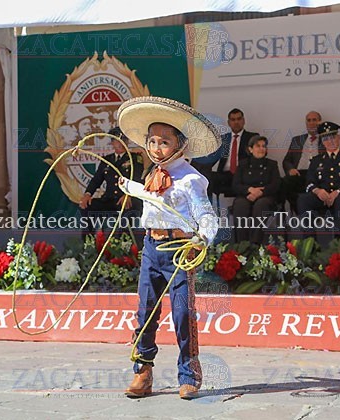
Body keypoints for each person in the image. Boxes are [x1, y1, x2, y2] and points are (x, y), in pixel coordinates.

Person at [115, 96, 220, 400]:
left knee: (182, 313)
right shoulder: (152, 175)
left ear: (180, 145)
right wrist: (130, 187)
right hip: (151, 247)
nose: (157, 147)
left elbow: (206, 216)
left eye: (164, 142)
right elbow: (153, 198)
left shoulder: (191, 179)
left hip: (179, 249)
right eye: (152, 141)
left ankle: (189, 375)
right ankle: (142, 371)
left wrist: (202, 238)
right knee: (145, 311)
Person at [297, 121, 340, 236]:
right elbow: (309, 182)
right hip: (322, 196)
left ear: (339, 138)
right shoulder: (316, 160)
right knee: (303, 199)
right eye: (326, 139)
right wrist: (318, 191)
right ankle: (309, 241)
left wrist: (338, 191)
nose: (330, 141)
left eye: (333, 137)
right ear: (322, 141)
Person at [79, 127, 142, 237]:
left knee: (127, 211)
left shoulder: (135, 158)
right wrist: (87, 194)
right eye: (117, 140)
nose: (121, 143)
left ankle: (124, 243)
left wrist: (128, 195)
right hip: (109, 199)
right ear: (112, 143)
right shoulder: (107, 160)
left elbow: (138, 179)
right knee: (87, 206)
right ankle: (89, 242)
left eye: (124, 140)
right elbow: (96, 180)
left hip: (127, 199)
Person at [192, 108, 259, 198]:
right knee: (204, 174)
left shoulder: (252, 137)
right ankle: (206, 203)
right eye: (233, 120)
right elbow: (212, 157)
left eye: (239, 119)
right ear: (229, 123)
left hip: (243, 175)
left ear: (243, 121)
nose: (236, 122)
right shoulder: (223, 139)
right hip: (225, 175)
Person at [232, 136, 281, 243]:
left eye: (264, 146)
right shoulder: (243, 164)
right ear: (250, 149)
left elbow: (276, 184)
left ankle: (255, 244)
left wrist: (260, 192)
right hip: (246, 195)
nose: (261, 149)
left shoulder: (272, 164)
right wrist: (250, 189)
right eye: (258, 146)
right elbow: (236, 185)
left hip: (265, 196)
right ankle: (242, 244)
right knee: (240, 205)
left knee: (261, 205)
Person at [281, 111, 323, 213]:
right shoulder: (297, 140)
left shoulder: (326, 140)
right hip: (299, 173)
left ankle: (312, 212)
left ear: (320, 122)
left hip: (318, 174)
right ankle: (299, 210)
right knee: (284, 182)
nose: (311, 123)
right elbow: (287, 160)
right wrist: (291, 169)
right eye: (309, 120)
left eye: (314, 120)